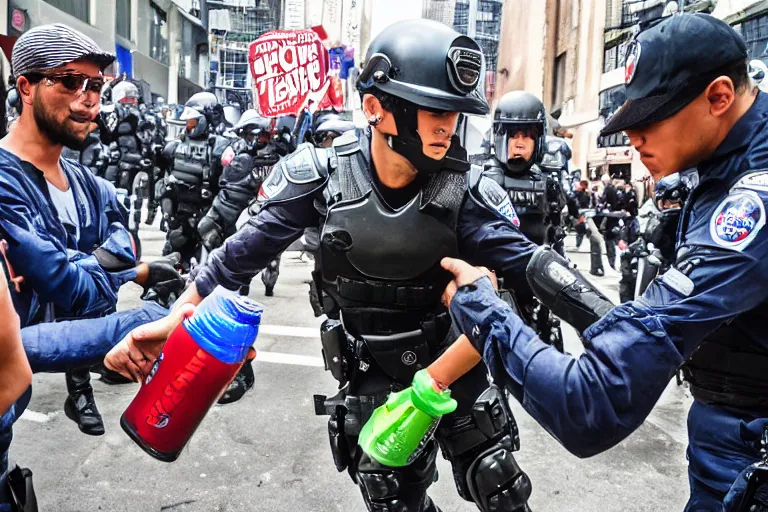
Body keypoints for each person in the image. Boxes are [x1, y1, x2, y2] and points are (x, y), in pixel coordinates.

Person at [107, 19, 540, 512]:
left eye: (454, 112)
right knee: (391, 495)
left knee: (498, 482)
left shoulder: (470, 189)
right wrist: (175, 320)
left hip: (452, 357)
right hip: (370, 366)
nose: (448, 125)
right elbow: (232, 262)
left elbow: (523, 287)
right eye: (432, 110)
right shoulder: (320, 175)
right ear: (376, 108)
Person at [431, 13, 768, 511]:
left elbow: (590, 406)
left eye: (651, 119)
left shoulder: (753, 201)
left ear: (719, 97)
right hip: (725, 430)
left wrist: (482, 309)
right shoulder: (722, 159)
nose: (634, 139)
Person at [0, 24, 182, 437]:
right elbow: (67, 289)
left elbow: (124, 243)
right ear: (26, 88)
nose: (89, 98)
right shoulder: (5, 181)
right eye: (70, 81)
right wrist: (138, 317)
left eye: (96, 85)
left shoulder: (90, 185)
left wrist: (130, 269)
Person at [159, 92, 229, 270]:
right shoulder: (176, 145)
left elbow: (229, 187)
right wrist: (166, 211)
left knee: (214, 263)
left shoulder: (220, 146)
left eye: (192, 122)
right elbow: (164, 179)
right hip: (180, 216)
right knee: (170, 260)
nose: (188, 126)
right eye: (188, 122)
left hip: (207, 215)